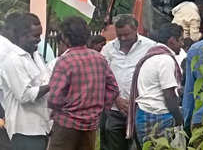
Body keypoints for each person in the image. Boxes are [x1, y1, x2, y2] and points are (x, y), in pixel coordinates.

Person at [47, 16, 119, 150]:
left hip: (66, 125)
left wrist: (68, 108)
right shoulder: (99, 58)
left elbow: (53, 98)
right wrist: (100, 107)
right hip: (90, 125)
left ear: (66, 38)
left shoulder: (64, 61)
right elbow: (113, 89)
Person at [100, 14, 157, 150]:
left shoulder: (150, 47)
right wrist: (116, 99)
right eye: (120, 35)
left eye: (127, 34)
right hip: (115, 108)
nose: (123, 39)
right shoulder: (108, 49)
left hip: (140, 107)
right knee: (114, 144)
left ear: (136, 29)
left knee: (140, 144)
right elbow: (102, 77)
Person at [0, 13, 50, 150]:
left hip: (41, 126)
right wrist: (52, 85)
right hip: (25, 129)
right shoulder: (13, 59)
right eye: (35, 36)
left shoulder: (35, 56)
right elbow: (25, 95)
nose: (39, 40)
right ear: (21, 36)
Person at [127, 24, 184, 145]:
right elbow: (169, 96)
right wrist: (179, 120)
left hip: (144, 114)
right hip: (158, 117)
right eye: (181, 40)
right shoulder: (165, 59)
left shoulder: (151, 56)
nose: (182, 44)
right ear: (172, 41)